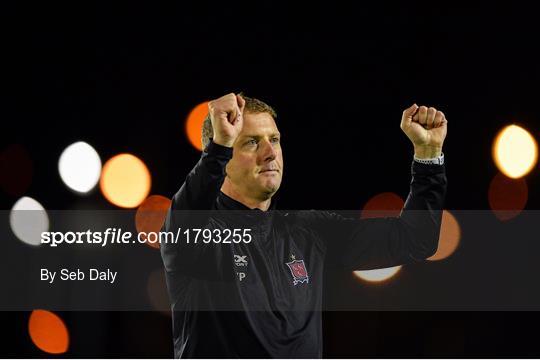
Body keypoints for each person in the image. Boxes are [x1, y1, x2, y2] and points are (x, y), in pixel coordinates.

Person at [160, 93, 448, 358]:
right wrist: (218, 148)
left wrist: (428, 156)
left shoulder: (308, 231)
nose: (270, 153)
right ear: (222, 157)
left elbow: (415, 240)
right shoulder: (198, 239)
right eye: (251, 142)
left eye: (274, 139)